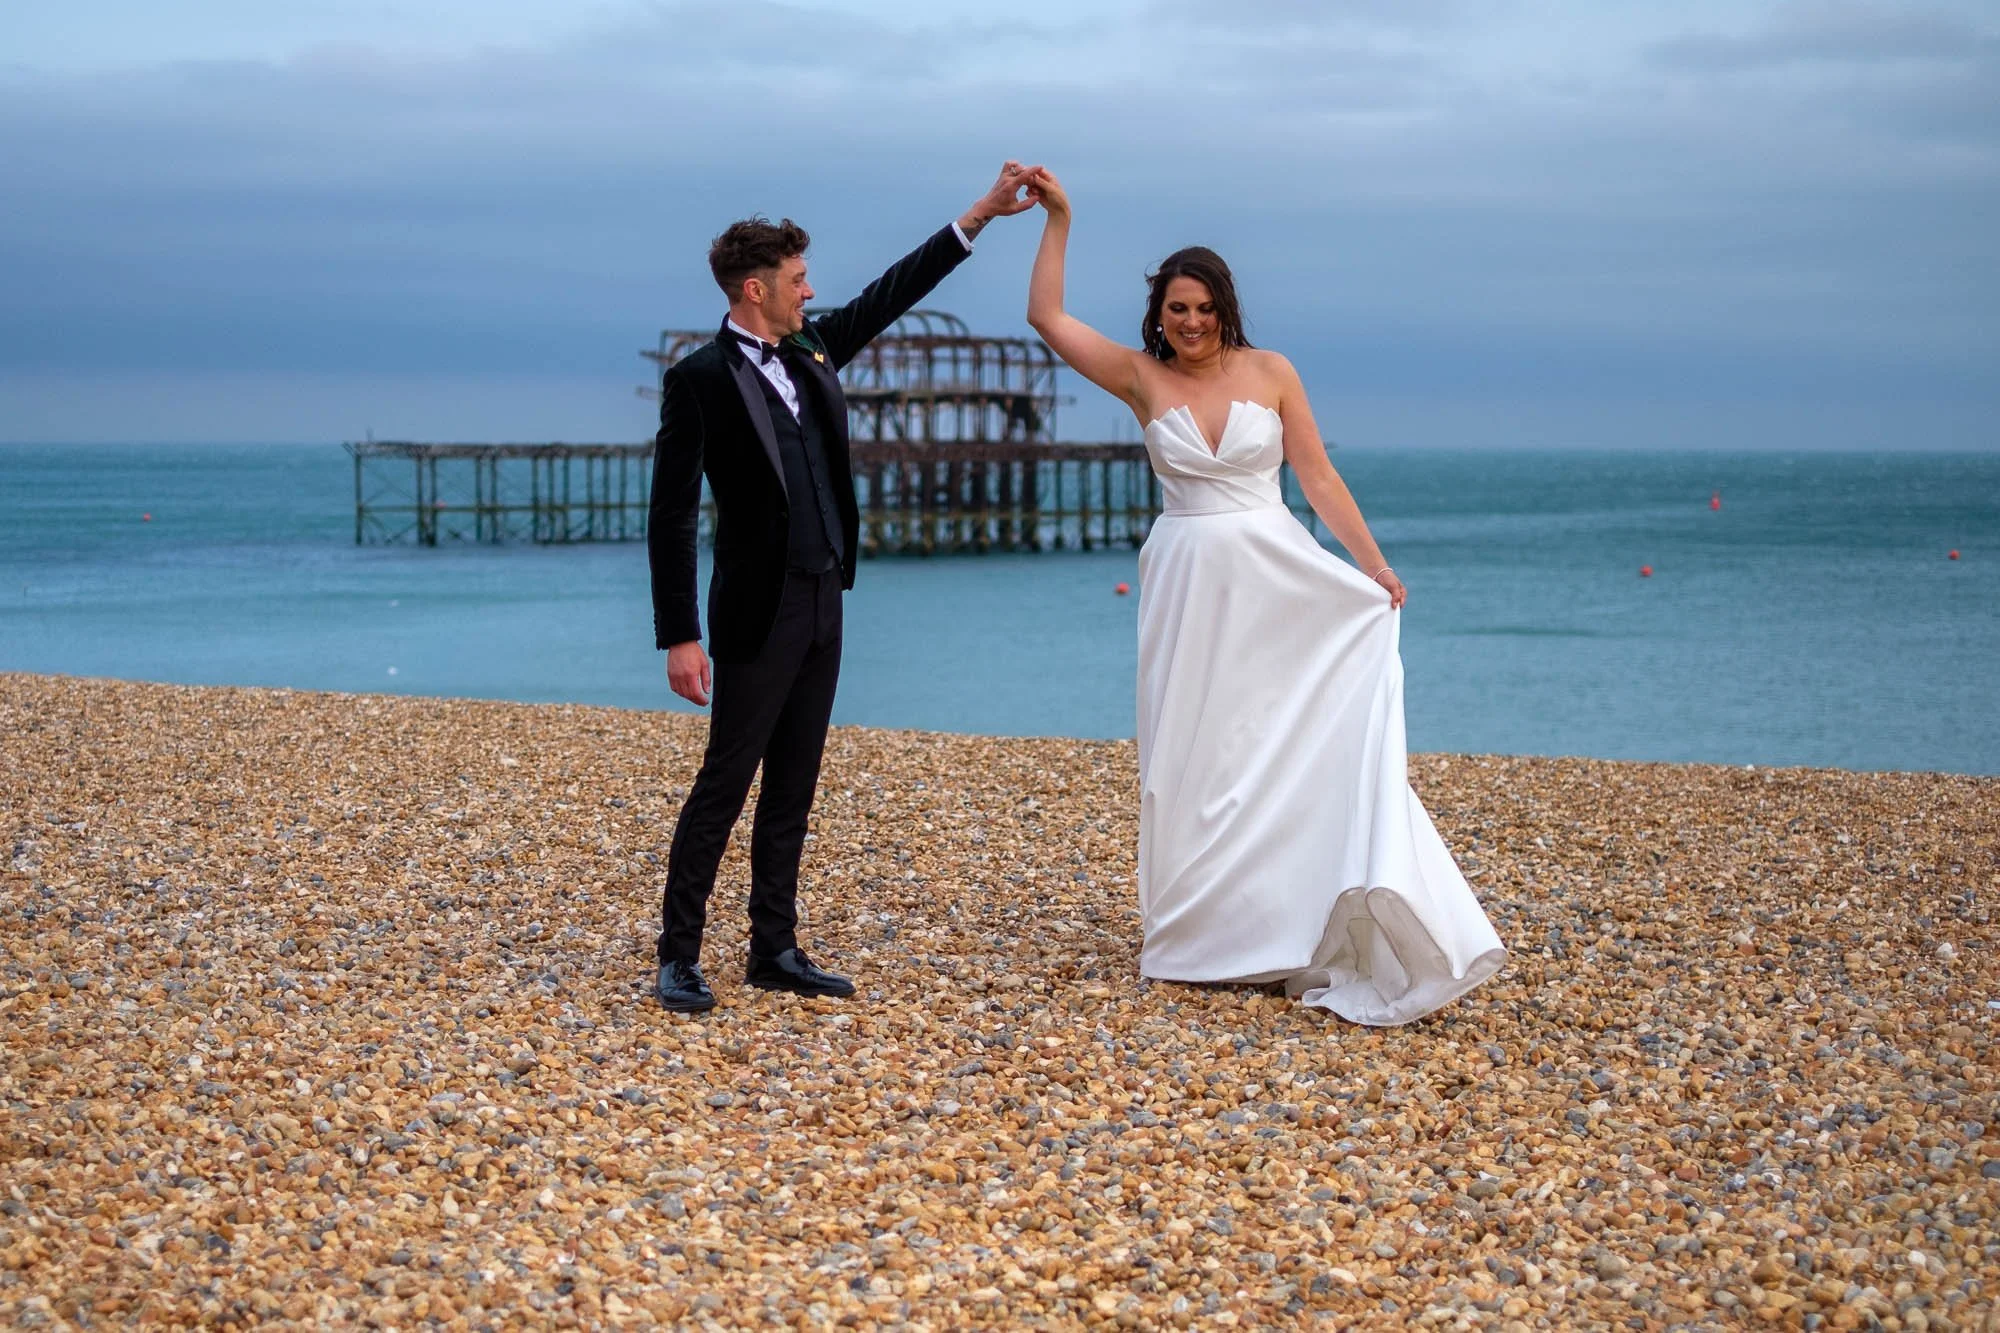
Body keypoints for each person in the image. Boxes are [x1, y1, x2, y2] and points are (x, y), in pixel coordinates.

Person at [1023, 169, 1507, 1025]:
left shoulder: (1272, 371)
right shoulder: (1140, 378)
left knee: (1275, 744)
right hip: (1185, 582)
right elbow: (1048, 319)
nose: (1194, 322)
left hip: (1276, 577)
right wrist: (1059, 219)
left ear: (1226, 309)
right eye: (1179, 309)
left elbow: (1316, 476)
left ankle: (1288, 922)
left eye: (1206, 308)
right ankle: (1199, 934)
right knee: (1192, 754)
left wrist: (1374, 567)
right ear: (1159, 314)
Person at [646, 163, 1041, 1013]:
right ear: (755, 289)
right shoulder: (701, 379)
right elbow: (670, 516)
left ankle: (773, 947)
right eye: (796, 280)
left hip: (826, 596)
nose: (810, 289)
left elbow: (891, 293)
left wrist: (979, 216)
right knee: (727, 778)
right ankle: (678, 955)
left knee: (796, 778)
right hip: (756, 607)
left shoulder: (815, 346)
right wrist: (677, 634)